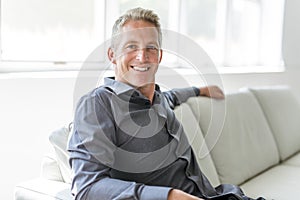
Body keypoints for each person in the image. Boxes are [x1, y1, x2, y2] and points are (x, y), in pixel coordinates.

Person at [68, 7, 264, 200]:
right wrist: (169, 196)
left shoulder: (159, 99)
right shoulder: (97, 104)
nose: (142, 56)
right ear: (112, 55)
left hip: (219, 194)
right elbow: (87, 187)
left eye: (150, 48)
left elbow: (173, 96)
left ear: (159, 56)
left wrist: (201, 90)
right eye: (131, 47)